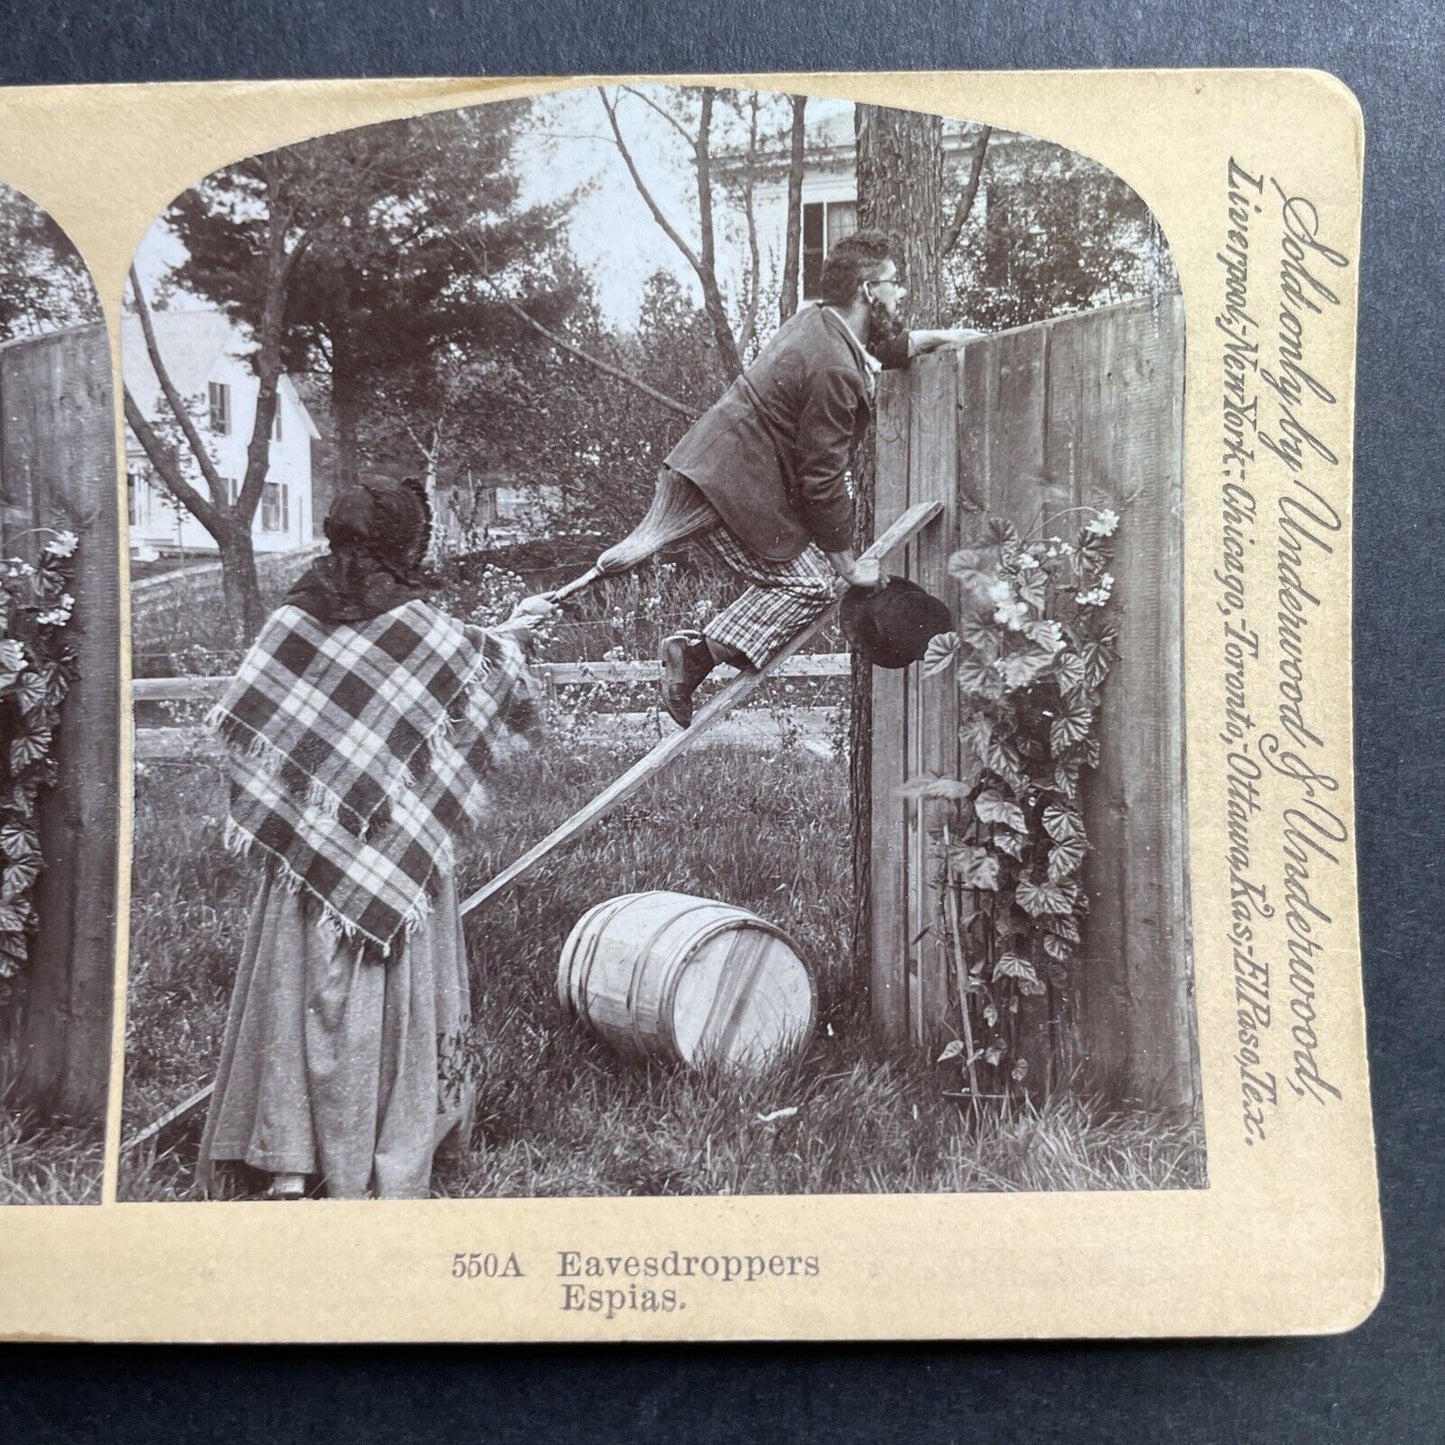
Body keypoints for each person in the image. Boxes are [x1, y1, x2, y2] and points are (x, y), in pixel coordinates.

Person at [198, 476, 555, 1200]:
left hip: (305, 858)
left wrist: (300, 811)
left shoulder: (290, 621)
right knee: (378, 994)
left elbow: (243, 724)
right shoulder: (422, 626)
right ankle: (371, 1145)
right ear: (404, 543)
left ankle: (290, 1161)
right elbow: (484, 664)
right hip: (399, 856)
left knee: (299, 982)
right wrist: (515, 629)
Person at [641, 228, 974, 726]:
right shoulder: (833, 368)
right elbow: (822, 480)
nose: (900, 292)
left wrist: (936, 339)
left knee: (804, 579)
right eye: (894, 283)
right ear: (867, 291)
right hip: (718, 491)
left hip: (717, 477)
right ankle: (693, 655)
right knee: (814, 587)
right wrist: (848, 567)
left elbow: (870, 351)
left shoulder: (816, 323)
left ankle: (694, 653)